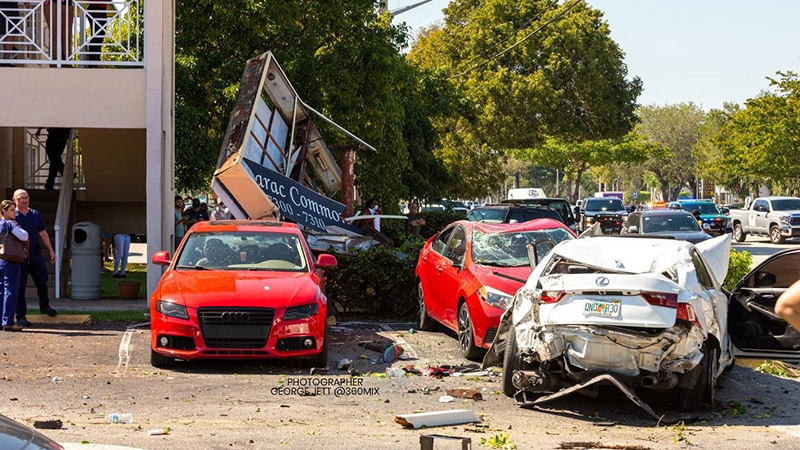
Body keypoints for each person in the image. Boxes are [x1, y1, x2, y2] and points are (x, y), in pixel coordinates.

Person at [12, 189, 57, 326]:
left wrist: (50, 250)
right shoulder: (12, 216)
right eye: (21, 198)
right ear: (14, 200)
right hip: (19, 256)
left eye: (26, 197)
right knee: (20, 286)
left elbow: (42, 233)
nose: (25, 200)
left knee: (42, 281)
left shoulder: (35, 214)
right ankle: (21, 316)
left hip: (35, 254)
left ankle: (45, 306)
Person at [1, 200, 29, 331]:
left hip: (1, 259)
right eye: (12, 210)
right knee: (10, 291)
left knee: (1, 290)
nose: (15, 212)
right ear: (4, 211)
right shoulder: (10, 224)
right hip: (11, 260)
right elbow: (24, 236)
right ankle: (8, 321)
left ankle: (2, 319)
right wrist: (19, 227)